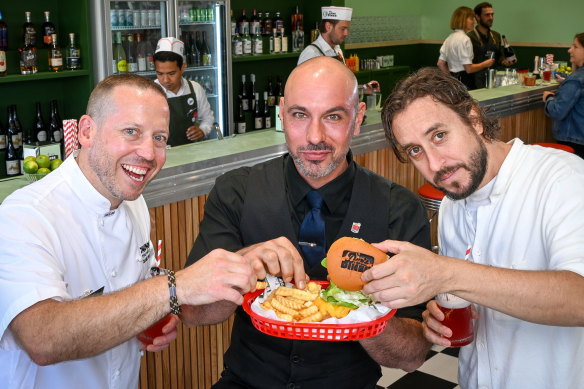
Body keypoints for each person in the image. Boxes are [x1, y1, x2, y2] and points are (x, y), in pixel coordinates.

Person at [181, 56, 433, 388]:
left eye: (333, 117)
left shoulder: (399, 208)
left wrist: (359, 311)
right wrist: (242, 264)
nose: (315, 136)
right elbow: (191, 314)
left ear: (357, 120)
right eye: (300, 115)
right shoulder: (235, 191)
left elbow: (411, 355)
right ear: (282, 114)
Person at [0, 74, 257, 389]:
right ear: (86, 132)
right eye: (131, 132)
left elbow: (135, 294)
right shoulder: (25, 215)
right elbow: (42, 338)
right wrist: (173, 289)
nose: (149, 153)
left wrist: (156, 310)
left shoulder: (133, 202)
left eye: (159, 137)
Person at [363, 67, 584, 388]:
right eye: (415, 150)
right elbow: (475, 299)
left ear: (474, 119)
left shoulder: (562, 178)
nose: (435, 164)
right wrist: (437, 314)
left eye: (439, 135)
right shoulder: (453, 204)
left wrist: (446, 273)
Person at [153, 37, 215, 146]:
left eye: (171, 73)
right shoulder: (150, 92)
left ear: (183, 68)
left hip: (191, 151)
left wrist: (202, 130)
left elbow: (207, 118)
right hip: (161, 154)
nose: (165, 80)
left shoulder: (195, 88)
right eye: (160, 74)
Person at [543, 33, 584, 158]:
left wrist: (548, 98)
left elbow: (557, 111)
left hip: (574, 143)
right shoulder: (575, 79)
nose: (569, 50)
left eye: (575, 47)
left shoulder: (576, 80)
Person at [437, 6, 495, 90]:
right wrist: (485, 64)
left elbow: (440, 63)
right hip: (466, 82)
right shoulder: (465, 39)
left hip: (454, 82)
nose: (474, 22)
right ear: (463, 20)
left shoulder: (449, 38)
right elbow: (469, 69)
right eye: (471, 19)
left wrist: (451, 79)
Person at [467, 2, 517, 89]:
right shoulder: (469, 37)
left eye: (492, 15)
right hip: (474, 83)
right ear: (478, 17)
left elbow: (498, 56)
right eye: (487, 15)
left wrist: (504, 61)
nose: (491, 18)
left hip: (492, 81)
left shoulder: (496, 36)